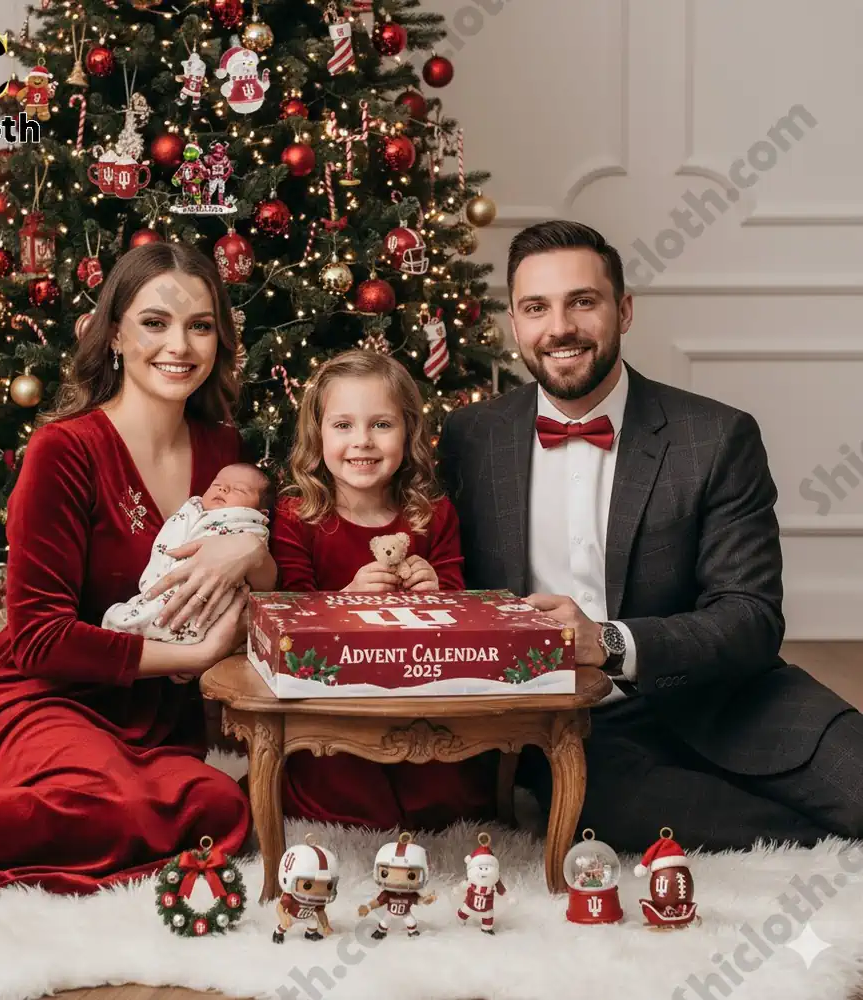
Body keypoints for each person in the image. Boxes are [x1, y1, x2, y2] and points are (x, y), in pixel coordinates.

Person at [0, 242, 276, 894]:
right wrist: (195, 658)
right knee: (110, 804)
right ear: (113, 334)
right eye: (155, 322)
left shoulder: (223, 450)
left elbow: (268, 587)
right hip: (42, 698)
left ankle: (97, 813)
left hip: (155, 723)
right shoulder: (63, 450)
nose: (180, 345)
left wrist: (253, 552)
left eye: (200, 325)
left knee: (219, 807)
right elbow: (40, 639)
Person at [437, 219, 863, 851]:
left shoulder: (715, 436)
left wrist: (608, 641)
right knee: (712, 829)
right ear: (515, 324)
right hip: (576, 729)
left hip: (727, 695)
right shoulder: (470, 437)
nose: (560, 328)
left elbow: (751, 616)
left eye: (583, 301)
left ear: (624, 310)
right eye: (536, 308)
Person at [270, 350, 495, 831]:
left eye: (381, 425)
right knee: (350, 800)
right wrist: (345, 598)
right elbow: (287, 616)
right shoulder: (297, 516)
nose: (362, 441)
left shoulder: (432, 515)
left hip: (417, 700)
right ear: (318, 434)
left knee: (448, 798)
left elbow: (461, 609)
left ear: (409, 432)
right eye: (343, 425)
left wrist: (435, 591)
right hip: (335, 707)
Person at [103, 462, 273, 645]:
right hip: (172, 587)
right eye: (216, 484)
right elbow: (169, 546)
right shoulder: (192, 513)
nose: (223, 489)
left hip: (215, 601)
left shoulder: (250, 526)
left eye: (239, 489)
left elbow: (261, 578)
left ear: (261, 513)